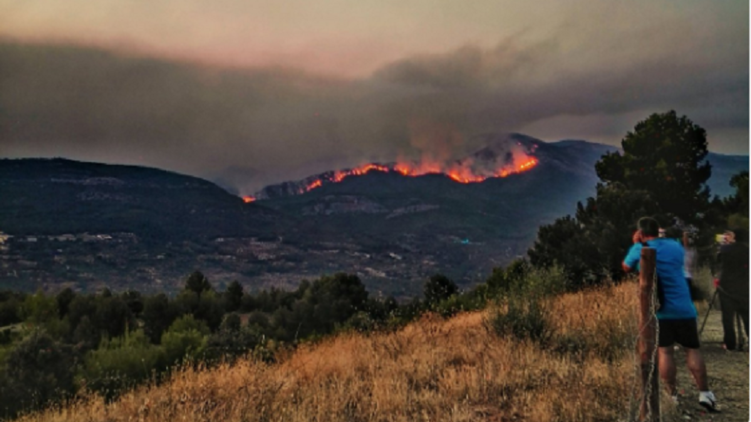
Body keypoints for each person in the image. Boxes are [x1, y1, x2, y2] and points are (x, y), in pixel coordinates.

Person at [622, 217, 717, 411]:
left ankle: (671, 395)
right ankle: (705, 393)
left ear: (640, 232)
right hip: (684, 307)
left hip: (661, 310)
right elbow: (680, 259)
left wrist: (636, 243)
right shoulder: (674, 246)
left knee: (665, 352)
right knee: (692, 349)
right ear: (657, 230)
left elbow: (626, 267)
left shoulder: (640, 248)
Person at [714, 228, 749, 351]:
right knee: (747, 316)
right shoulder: (748, 250)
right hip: (745, 288)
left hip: (726, 288)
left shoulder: (726, 249)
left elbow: (718, 261)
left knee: (728, 318)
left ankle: (730, 343)